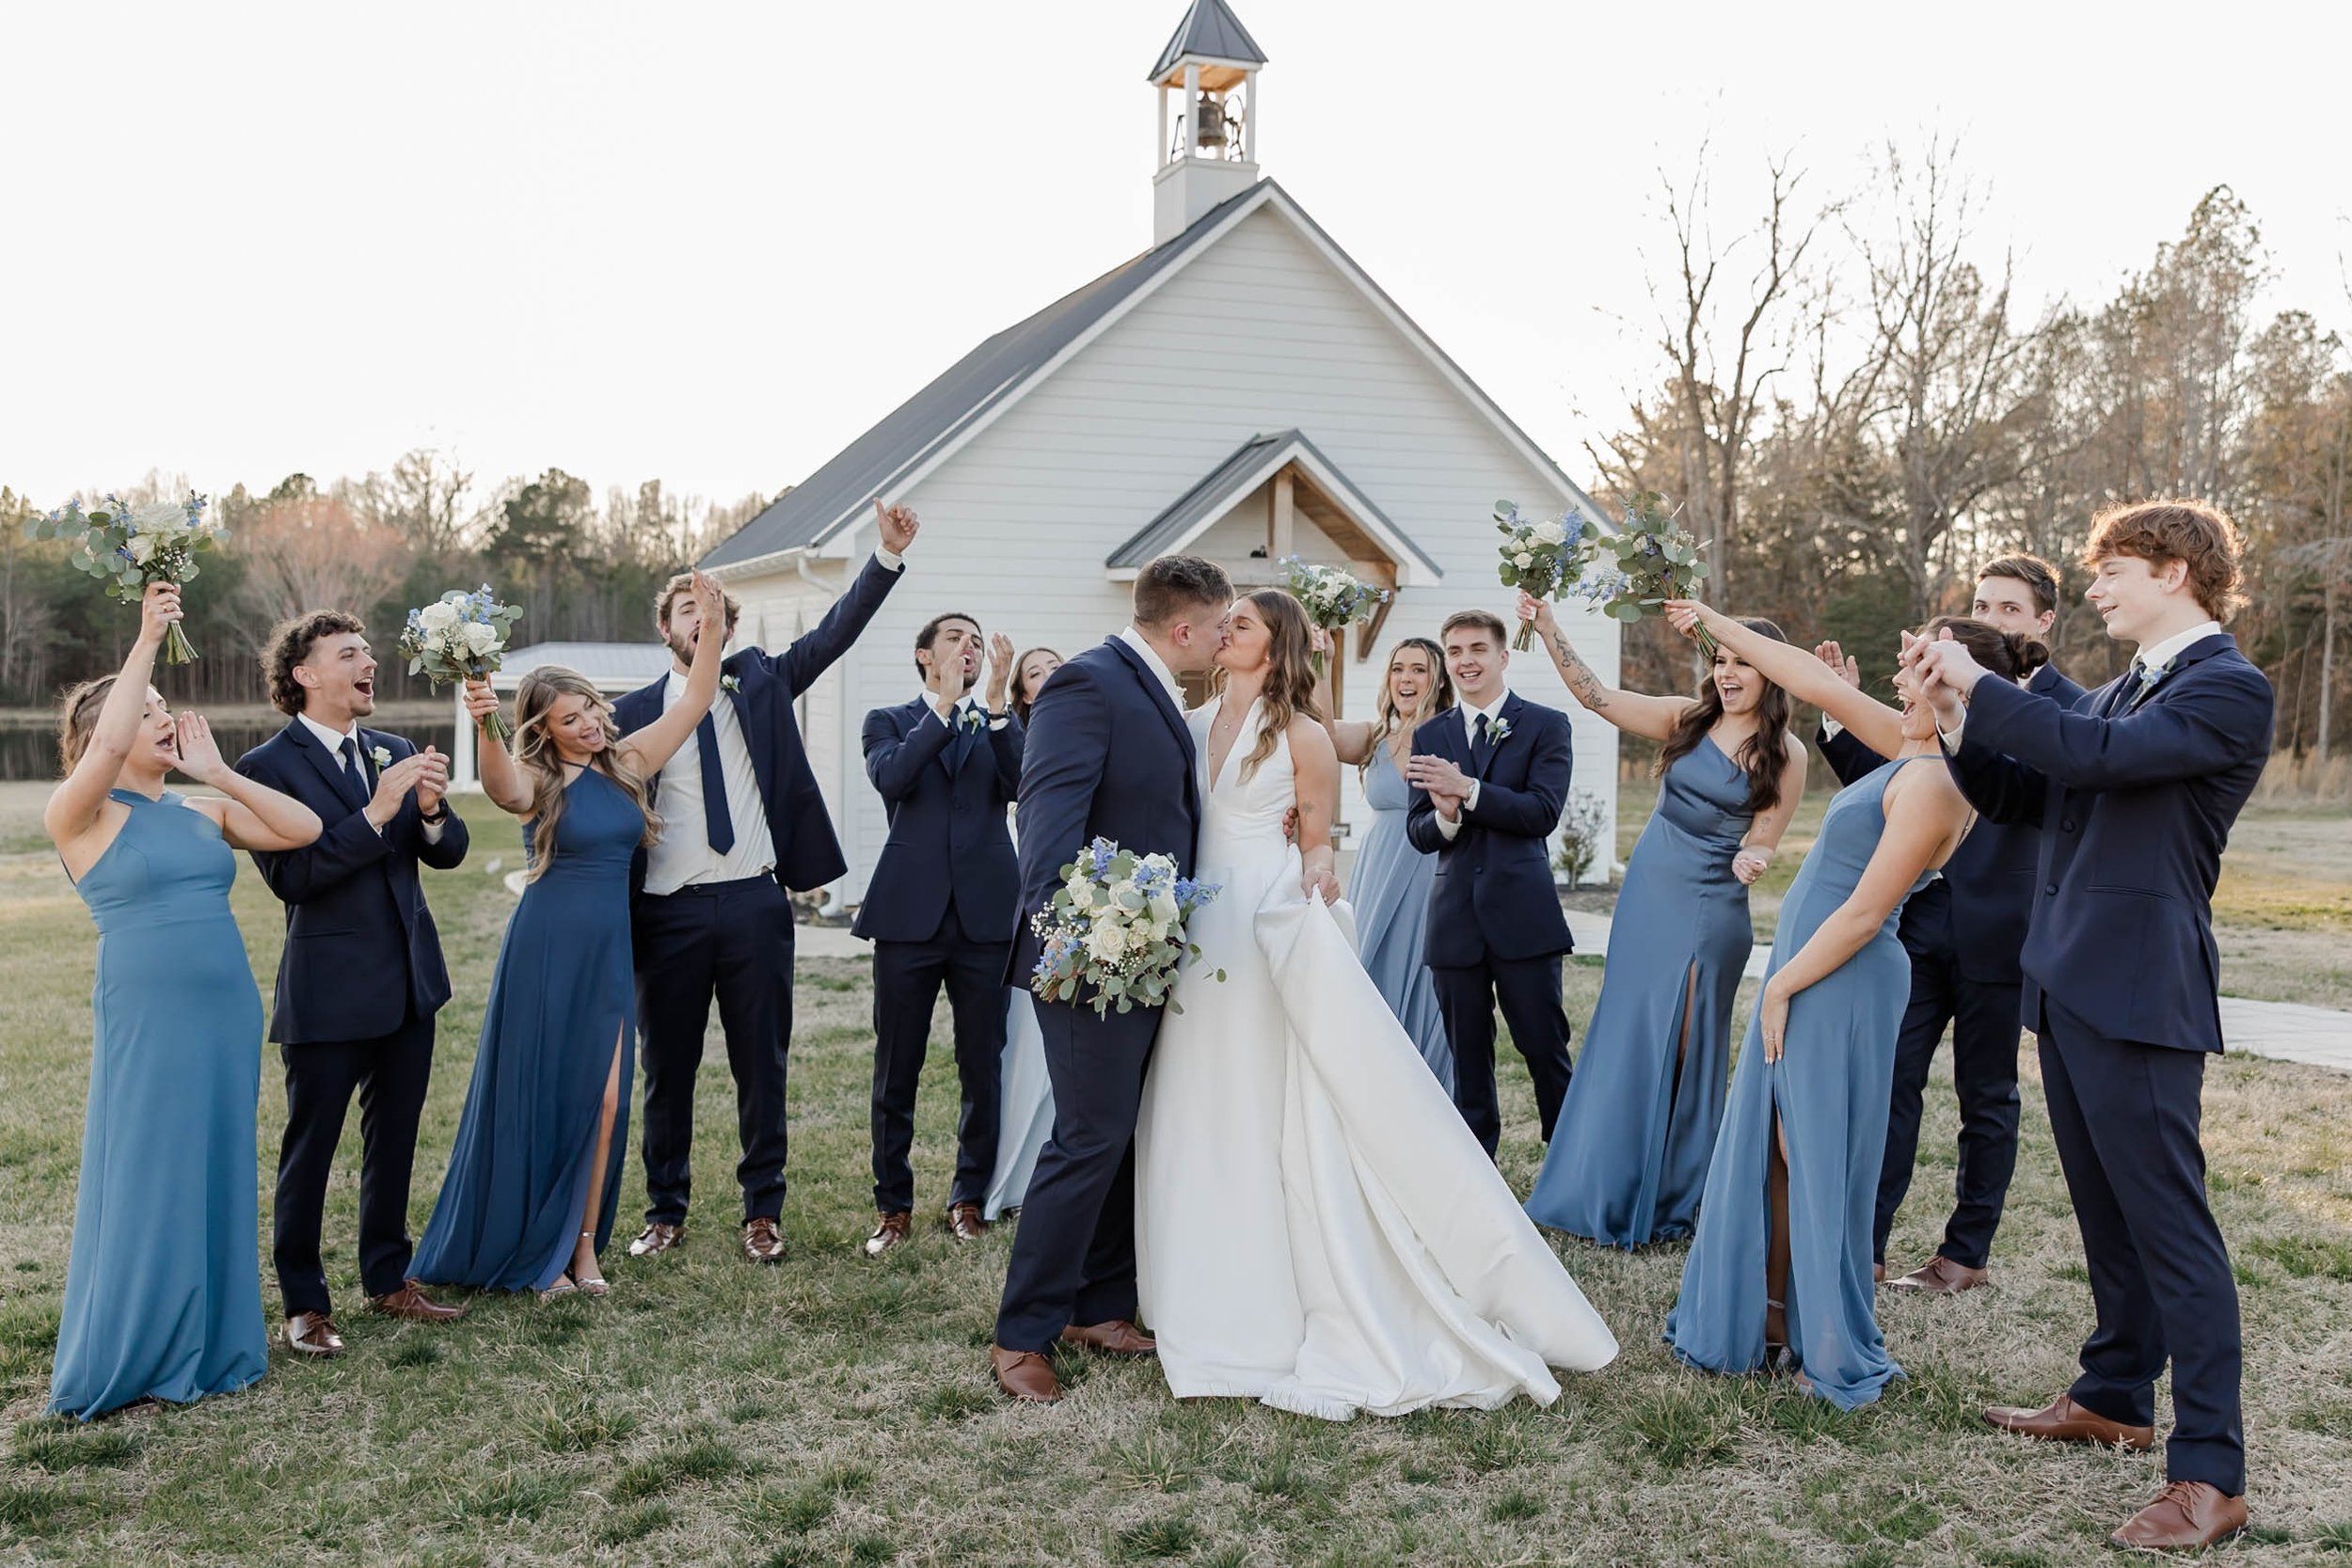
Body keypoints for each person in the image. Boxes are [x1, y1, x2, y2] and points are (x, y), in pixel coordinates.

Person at [1137, 589, 1618, 1418]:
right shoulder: (1187, 724)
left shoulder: (1304, 734)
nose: (1223, 631)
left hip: (1263, 921)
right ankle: (1193, 1271)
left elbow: (1319, 839)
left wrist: (1319, 872)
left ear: (1274, 642)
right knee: (1194, 1094)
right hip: (1196, 927)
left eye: (1240, 623)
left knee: (1266, 1093)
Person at [1908, 500, 2269, 1553]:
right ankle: (2113, 1394)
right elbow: (2029, 792)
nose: (2096, 589)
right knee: (2107, 1215)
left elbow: (2094, 755)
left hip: (2140, 985)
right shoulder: (2125, 687)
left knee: (2172, 1231)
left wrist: (1982, 676)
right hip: (2064, 981)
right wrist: (1948, 716)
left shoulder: (2227, 688)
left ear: (2176, 570)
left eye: (2110, 570)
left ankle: (2211, 1472)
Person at [1660, 600, 2015, 1411]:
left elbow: (1863, 911)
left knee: (1810, 1147)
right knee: (1782, 1147)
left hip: (1842, 975)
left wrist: (1781, 983)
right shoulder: (1906, 742)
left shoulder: (1936, 779)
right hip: (1810, 966)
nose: (1895, 675)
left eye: (1913, 666)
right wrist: (1716, 621)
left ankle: (1822, 1331)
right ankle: (1777, 1314)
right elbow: (1809, 677)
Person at [412, 572, 730, 1299]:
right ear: (545, 729)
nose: (587, 722)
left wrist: (709, 627)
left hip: (609, 951)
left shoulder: (628, 764)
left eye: (589, 707)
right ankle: (538, 1252)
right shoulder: (538, 778)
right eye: (568, 717)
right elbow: (500, 788)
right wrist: (486, 716)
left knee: (609, 1102)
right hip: (548, 949)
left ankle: (583, 1250)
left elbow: (696, 698)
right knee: (548, 1099)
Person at [45, 583, 322, 1418]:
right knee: (148, 1169)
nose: (166, 715)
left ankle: (213, 1336)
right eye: (148, 708)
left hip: (225, 1013)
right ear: (106, 734)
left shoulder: (204, 808)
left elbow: (303, 829)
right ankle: (136, 1344)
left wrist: (220, 772)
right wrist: (145, 642)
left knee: (214, 1164)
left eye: (168, 703)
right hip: (147, 1018)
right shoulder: (81, 815)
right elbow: (105, 749)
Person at [619, 501, 915, 1266]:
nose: (700, 615)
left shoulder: (761, 682)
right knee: (667, 1069)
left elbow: (834, 633)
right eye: (688, 606)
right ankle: (665, 1209)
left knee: (763, 1062)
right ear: (667, 628)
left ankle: (762, 1212)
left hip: (755, 903)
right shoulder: (629, 714)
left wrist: (883, 555)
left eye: (711, 607)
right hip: (667, 913)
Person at [991, 557, 1232, 1404]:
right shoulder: (1088, 686)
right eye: (1218, 626)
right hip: (1087, 960)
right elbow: (1046, 830)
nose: (1223, 638)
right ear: (1181, 629)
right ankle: (1021, 1333)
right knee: (1087, 1136)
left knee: (1121, 1133)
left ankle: (1096, 1305)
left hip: (1143, 954)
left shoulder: (1160, 687)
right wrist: (1084, 944)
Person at [1813, 553, 2083, 1293]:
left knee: (1987, 1096)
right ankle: (1864, 1247)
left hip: (2008, 931)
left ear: (2043, 621)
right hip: (1923, 920)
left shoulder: (2070, 708)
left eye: (2008, 608)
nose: (1991, 620)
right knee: (1891, 1082)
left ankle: (1965, 1255)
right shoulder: (1939, 685)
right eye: (1983, 605)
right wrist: (1838, 708)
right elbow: (1903, 785)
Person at [1517, 593, 1805, 1248]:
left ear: (1771, 673)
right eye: (1721, 660)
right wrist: (1548, 625)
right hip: (1651, 893)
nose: (1728, 673)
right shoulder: (1687, 719)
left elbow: (1766, 835)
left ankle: (1673, 1194)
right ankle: (1603, 1183)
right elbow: (1597, 696)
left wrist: (1755, 857)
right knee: (1627, 1032)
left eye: (1744, 663)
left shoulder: (1785, 753)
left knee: (1684, 1043)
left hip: (1713, 907)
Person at [235, 610, 473, 1358]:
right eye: (350, 653)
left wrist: (430, 810)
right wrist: (375, 812)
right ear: (305, 674)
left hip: (408, 983)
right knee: (311, 1149)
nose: (369, 661)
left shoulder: (395, 748)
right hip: (328, 989)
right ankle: (305, 1303)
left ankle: (389, 1278)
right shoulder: (264, 768)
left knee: (394, 1140)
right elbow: (295, 877)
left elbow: (448, 852)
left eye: (369, 650)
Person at [853, 618, 1025, 1253]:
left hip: (984, 921)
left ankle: (968, 1196)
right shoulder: (888, 720)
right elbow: (893, 779)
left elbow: (1023, 782)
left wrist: (999, 701)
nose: (969, 647)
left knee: (983, 1066)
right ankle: (893, 1205)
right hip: (907, 920)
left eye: (976, 641)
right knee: (897, 1066)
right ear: (925, 654)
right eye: (956, 637)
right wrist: (946, 706)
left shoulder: (995, 722)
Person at [1404, 610, 1578, 1157]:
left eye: (1477, 649)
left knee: (1544, 1047)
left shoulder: (1546, 725)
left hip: (1523, 919)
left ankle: (1568, 1161)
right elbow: (1419, 830)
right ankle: (1477, 1167)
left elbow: (1542, 813)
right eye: (1454, 651)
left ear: (1503, 657)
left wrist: (1468, 789)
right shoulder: (1430, 734)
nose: (1465, 661)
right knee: (1468, 1056)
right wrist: (1448, 817)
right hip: (1454, 920)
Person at [1307, 631, 1455, 1088]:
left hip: (1432, 865)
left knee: (1428, 972)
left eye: (1418, 669)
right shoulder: (1375, 736)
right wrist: (1321, 660)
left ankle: (1427, 1087)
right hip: (1380, 865)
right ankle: (1375, 1085)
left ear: (1437, 679)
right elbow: (1323, 735)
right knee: (1372, 967)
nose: (1405, 679)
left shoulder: (1454, 734)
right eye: (1397, 668)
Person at [982, 646, 1064, 1222]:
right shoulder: (1020, 737)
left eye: (1057, 666)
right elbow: (1016, 773)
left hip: (1092, 897)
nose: (1050, 676)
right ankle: (1014, 1180)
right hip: (1035, 904)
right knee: (1028, 1048)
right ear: (1024, 696)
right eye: (1036, 672)